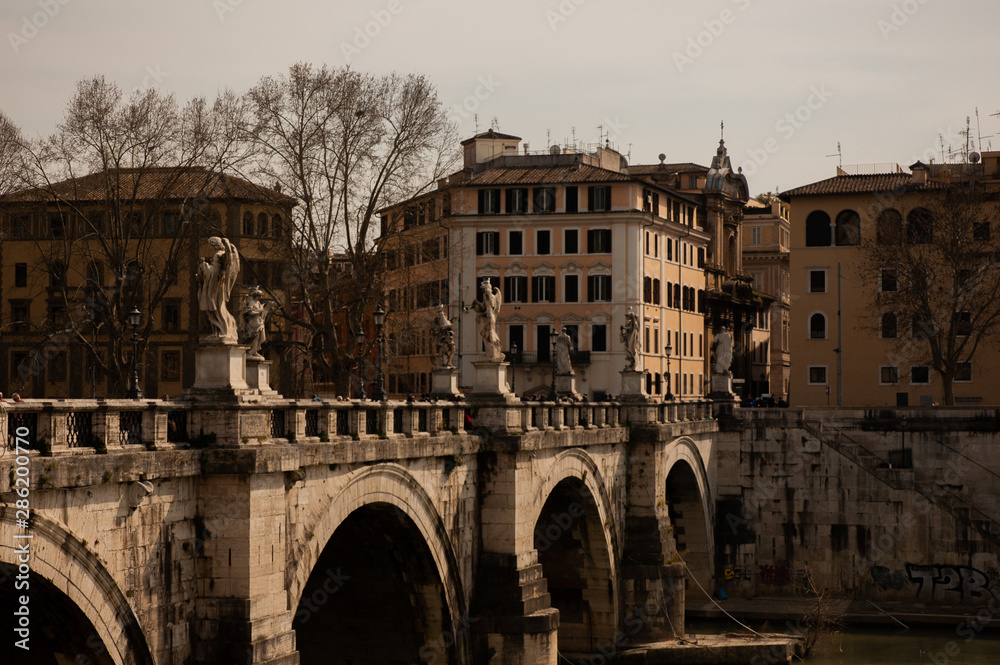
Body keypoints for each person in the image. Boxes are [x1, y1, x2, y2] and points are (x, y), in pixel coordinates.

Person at [198, 235, 240, 341]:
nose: (212, 247)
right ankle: (217, 332)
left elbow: (217, 270)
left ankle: (222, 330)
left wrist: (204, 266)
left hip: (215, 285)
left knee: (215, 308)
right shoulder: (219, 255)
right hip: (213, 283)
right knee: (212, 309)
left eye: (212, 244)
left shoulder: (221, 255)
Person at [470, 279, 503, 362]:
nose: (482, 289)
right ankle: (491, 351)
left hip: (489, 317)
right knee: (487, 334)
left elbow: (488, 309)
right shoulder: (490, 295)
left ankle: (491, 352)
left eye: (483, 288)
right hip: (489, 317)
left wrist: (485, 316)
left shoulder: (487, 294)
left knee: (488, 334)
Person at [240, 286, 272, 360]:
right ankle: (251, 351)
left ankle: (255, 350)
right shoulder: (251, 302)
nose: (260, 298)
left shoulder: (258, 303)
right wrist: (259, 311)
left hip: (259, 321)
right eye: (259, 296)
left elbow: (263, 313)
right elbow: (248, 312)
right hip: (253, 322)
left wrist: (266, 309)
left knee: (260, 336)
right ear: (256, 295)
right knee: (255, 336)